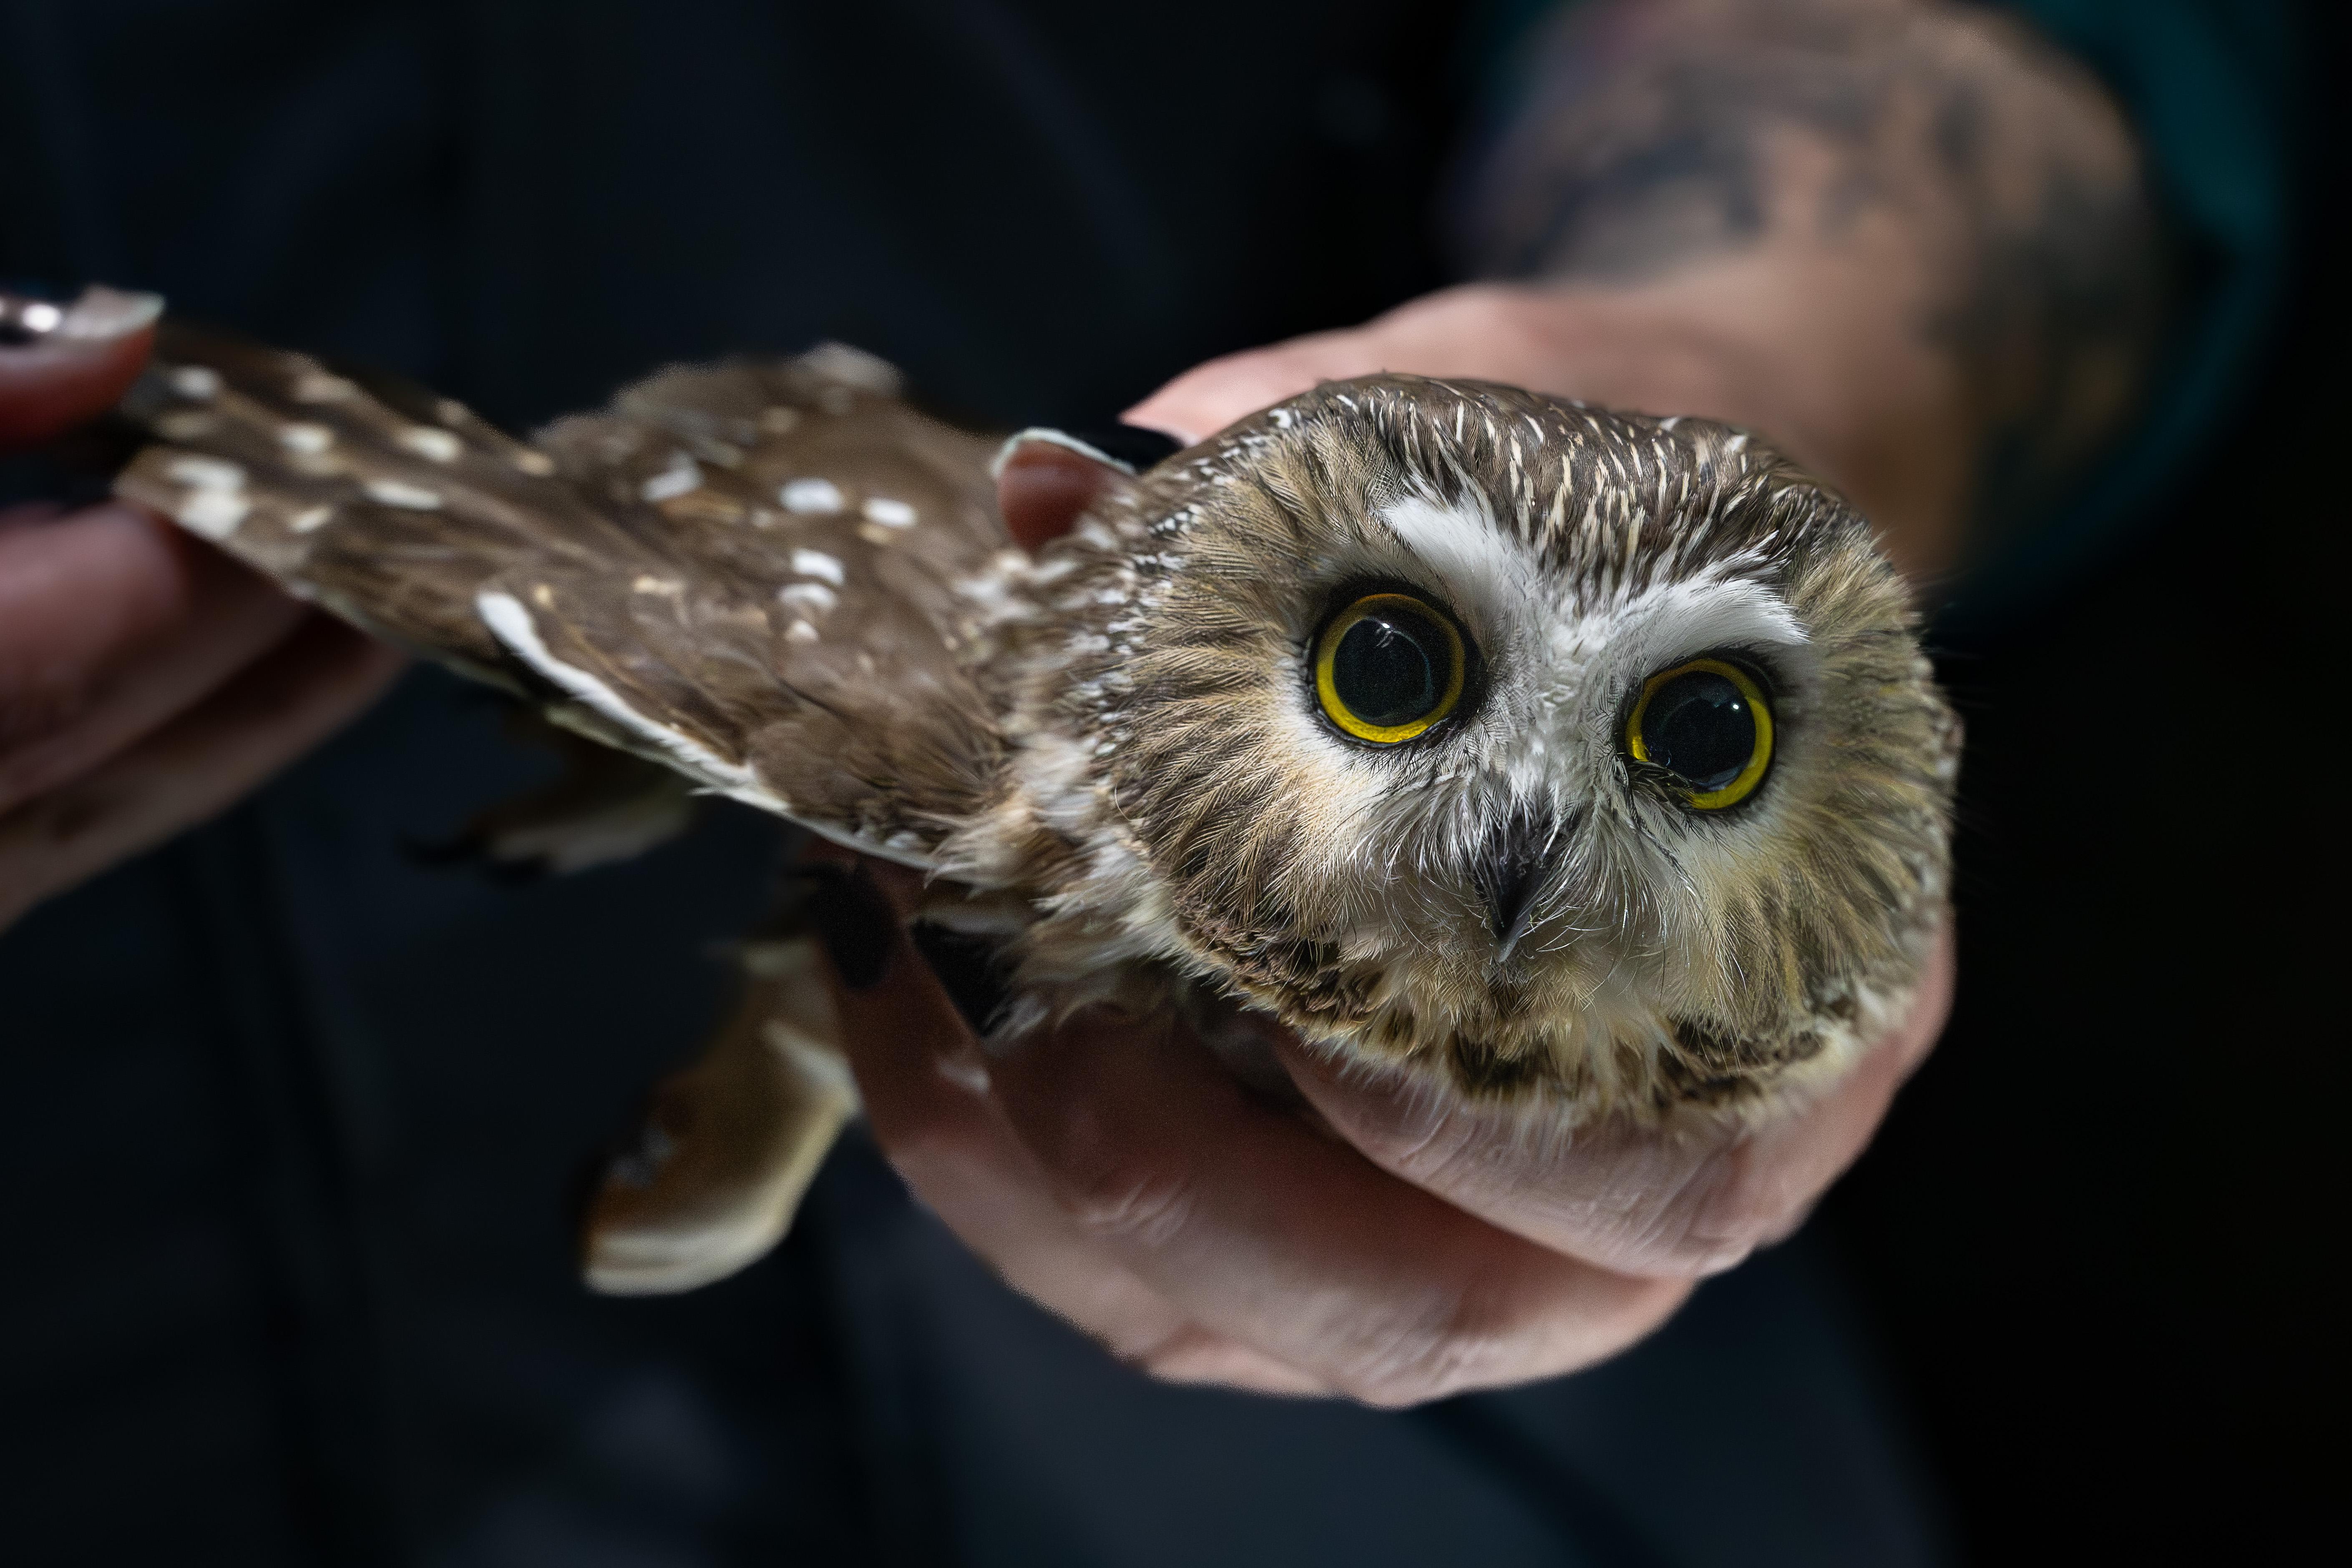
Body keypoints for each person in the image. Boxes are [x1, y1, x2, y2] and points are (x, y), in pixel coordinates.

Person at [0, 1, 2288, 1562]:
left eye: (1710, 733)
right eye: (1392, 672)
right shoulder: (984, 720)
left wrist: (1742, 355)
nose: (1520, 831)